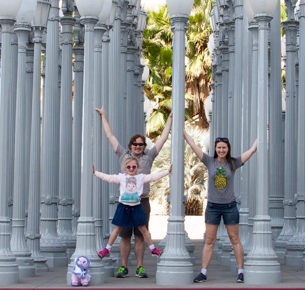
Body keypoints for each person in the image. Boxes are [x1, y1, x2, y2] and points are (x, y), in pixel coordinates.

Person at [95, 106, 173, 278]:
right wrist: (103, 115)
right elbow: (110, 136)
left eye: (141, 144)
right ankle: (123, 266)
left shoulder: (149, 156)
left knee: (140, 235)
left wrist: (170, 119)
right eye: (135, 144)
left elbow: (163, 138)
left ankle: (140, 267)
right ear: (130, 145)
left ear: (144, 146)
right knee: (124, 235)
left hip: (142, 202)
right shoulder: (123, 155)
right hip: (125, 203)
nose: (138, 146)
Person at [183, 131, 258, 284]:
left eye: (224, 147)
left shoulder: (234, 162)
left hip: (230, 206)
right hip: (213, 207)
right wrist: (182, 131)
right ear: (215, 149)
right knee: (210, 240)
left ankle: (241, 272)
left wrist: (265, 131)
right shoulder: (210, 161)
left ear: (228, 149)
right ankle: (203, 273)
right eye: (219, 148)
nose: (221, 150)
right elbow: (193, 145)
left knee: (235, 239)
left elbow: (252, 150)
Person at [94, 159, 171, 260]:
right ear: (125, 168)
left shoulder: (141, 177)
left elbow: (153, 177)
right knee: (117, 229)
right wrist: (95, 172)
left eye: (134, 167)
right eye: (129, 167)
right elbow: (108, 178)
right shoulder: (121, 177)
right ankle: (107, 248)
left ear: (137, 168)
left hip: (136, 207)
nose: (131, 169)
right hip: (123, 206)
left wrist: (167, 171)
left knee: (143, 228)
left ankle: (152, 249)